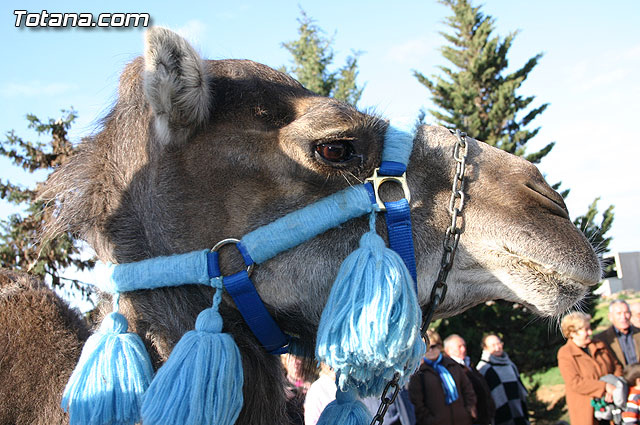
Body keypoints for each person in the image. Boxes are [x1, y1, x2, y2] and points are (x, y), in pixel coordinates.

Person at [557, 311, 623, 425]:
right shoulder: (565, 354)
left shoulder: (599, 345)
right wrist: (604, 387)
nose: (590, 332)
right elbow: (575, 382)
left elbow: (616, 366)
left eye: (589, 328)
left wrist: (614, 386)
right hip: (586, 409)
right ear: (572, 332)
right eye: (585, 330)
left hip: (611, 406)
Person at [408, 330, 477, 425]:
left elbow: (467, 389)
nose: (430, 351)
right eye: (426, 348)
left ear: (439, 346)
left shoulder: (452, 365)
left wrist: (468, 411)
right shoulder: (419, 372)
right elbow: (416, 401)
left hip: (462, 420)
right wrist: (430, 420)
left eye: (433, 346)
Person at [476, 334, 529, 425]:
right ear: (485, 348)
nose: (497, 348)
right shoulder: (483, 368)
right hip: (499, 416)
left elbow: (520, 390)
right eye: (493, 345)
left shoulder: (510, 364)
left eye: (499, 344)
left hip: (518, 412)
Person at [443, 334, 495, 425]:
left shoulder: (469, 364)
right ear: (448, 350)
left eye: (464, 346)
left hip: (484, 417)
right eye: (459, 347)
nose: (463, 349)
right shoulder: (449, 369)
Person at [594, 300, 640, 367]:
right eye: (619, 313)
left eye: (626, 312)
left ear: (630, 314)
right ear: (610, 317)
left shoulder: (638, 333)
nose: (623, 317)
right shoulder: (601, 339)